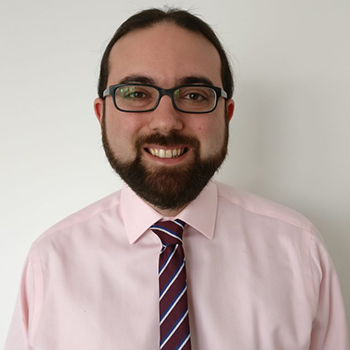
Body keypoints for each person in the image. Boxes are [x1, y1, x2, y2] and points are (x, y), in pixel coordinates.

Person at [5, 7, 349, 350]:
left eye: (195, 96)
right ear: (102, 114)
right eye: (137, 94)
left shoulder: (298, 251)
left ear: (226, 115)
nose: (166, 122)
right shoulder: (49, 263)